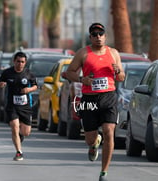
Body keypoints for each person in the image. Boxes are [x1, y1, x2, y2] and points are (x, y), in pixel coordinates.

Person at [66, 22, 125, 181]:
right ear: (90, 37)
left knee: (109, 131)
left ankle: (104, 172)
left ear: (105, 36)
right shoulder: (83, 53)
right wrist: (81, 79)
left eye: (101, 34)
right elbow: (68, 73)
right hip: (89, 98)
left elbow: (121, 77)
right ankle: (94, 143)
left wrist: (118, 71)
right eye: (94, 34)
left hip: (108, 97)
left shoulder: (113, 53)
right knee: (90, 138)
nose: (98, 37)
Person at [0, 52, 38, 161]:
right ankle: (19, 152)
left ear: (25, 63)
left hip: (25, 106)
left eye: (22, 62)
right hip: (12, 105)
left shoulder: (29, 74)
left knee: (26, 132)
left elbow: (35, 86)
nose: (20, 64)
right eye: (18, 61)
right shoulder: (7, 73)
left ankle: (20, 134)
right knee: (14, 126)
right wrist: (0, 85)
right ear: (14, 61)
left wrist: (28, 89)